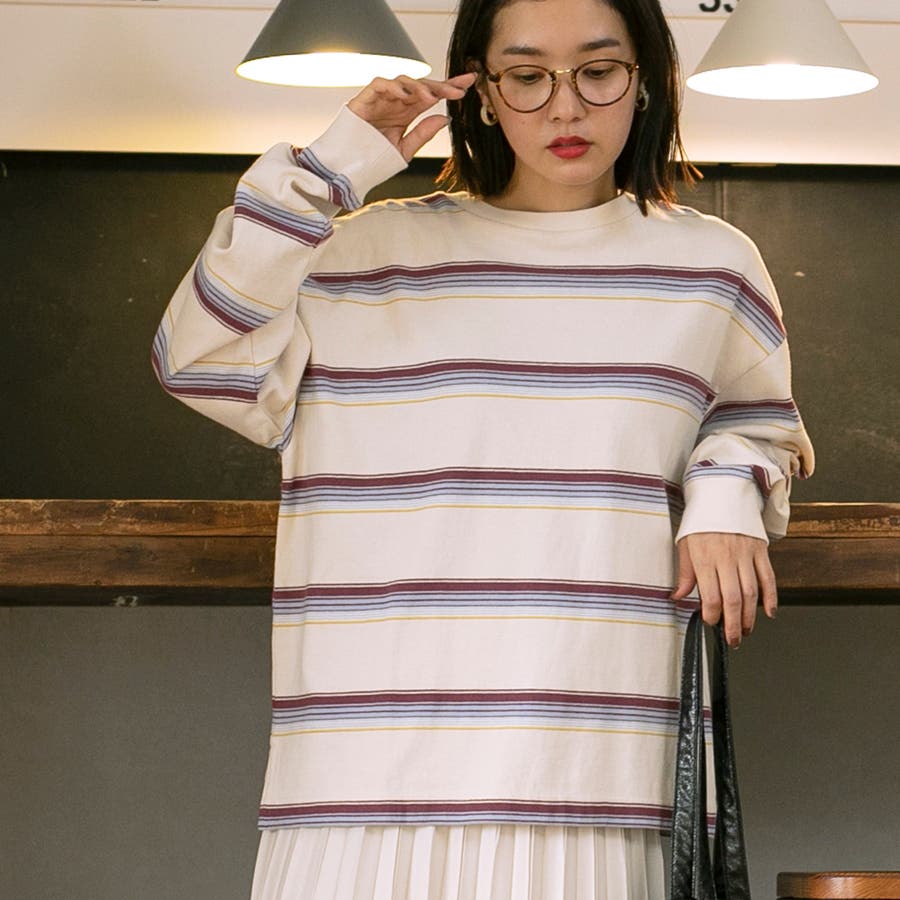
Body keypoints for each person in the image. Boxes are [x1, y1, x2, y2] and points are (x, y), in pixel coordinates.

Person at [152, 0, 815, 896]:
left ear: (646, 81)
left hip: (596, 782)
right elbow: (197, 359)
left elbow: (758, 423)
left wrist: (726, 497)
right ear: (484, 91)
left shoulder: (711, 265)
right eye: (528, 75)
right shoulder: (359, 255)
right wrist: (331, 168)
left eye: (598, 71)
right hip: (362, 791)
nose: (566, 106)